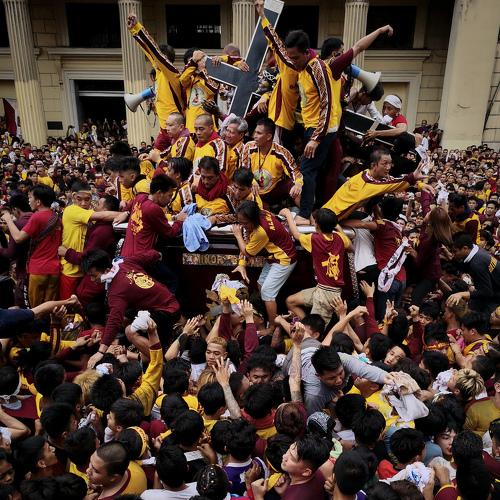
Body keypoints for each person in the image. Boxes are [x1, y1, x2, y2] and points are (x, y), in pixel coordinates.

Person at [82, 249, 180, 362]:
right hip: (168, 300)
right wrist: (158, 254)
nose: (92, 280)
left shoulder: (116, 290)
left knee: (130, 331)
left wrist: (100, 351)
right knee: (125, 319)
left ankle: (163, 360)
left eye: (94, 276)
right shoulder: (126, 262)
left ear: (107, 271)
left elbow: (114, 320)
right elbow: (150, 254)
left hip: (166, 311)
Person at [280, 207, 352, 324]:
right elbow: (350, 247)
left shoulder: (315, 239)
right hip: (322, 289)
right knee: (290, 301)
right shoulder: (340, 237)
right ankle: (304, 326)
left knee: (314, 331)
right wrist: (339, 229)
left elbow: (296, 234)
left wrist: (288, 214)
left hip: (326, 294)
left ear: (317, 225)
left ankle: (307, 331)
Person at [233, 200, 297, 326]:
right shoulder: (262, 212)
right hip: (274, 257)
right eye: (240, 222)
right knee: (260, 285)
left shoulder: (260, 232)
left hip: (284, 259)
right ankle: (267, 317)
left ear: (253, 219)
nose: (242, 226)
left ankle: (273, 326)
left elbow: (246, 252)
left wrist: (238, 235)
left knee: (267, 293)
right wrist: (241, 263)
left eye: (245, 223)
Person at [323, 148, 433, 220]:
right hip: (330, 218)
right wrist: (413, 177)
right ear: (373, 165)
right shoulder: (368, 182)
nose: (388, 168)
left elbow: (394, 180)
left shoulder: (370, 174)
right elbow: (395, 183)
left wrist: (421, 185)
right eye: (384, 164)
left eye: (390, 164)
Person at [127, 14, 183, 154]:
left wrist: (137, 27)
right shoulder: (159, 72)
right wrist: (133, 31)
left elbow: (153, 52)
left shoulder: (172, 73)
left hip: (176, 131)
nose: (154, 60)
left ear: (165, 59)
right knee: (152, 156)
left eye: (158, 58)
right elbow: (149, 52)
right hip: (164, 130)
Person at [1, 185, 61, 307]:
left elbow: (18, 238)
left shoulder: (37, 216)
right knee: (49, 307)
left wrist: (8, 219)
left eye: (30, 198)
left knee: (35, 309)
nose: (29, 201)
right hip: (54, 268)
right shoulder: (56, 218)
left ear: (38, 202)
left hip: (38, 269)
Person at [241, 118, 303, 208]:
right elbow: (244, 170)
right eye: (255, 132)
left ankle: (305, 214)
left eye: (259, 133)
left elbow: (296, 173)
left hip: (273, 191)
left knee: (294, 185)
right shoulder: (249, 146)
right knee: (241, 184)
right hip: (253, 189)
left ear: (269, 137)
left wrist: (298, 184)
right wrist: (252, 181)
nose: (254, 136)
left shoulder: (282, 152)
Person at [448, 232, 500, 313]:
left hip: (495, 297)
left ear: (465, 248)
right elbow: (466, 267)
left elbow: (486, 292)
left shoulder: (477, 264)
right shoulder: (477, 250)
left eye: (455, 251)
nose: (453, 254)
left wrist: (461, 294)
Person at [221, 115, 248, 181]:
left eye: (231, 132)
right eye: (227, 130)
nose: (227, 135)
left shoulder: (243, 152)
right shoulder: (221, 144)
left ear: (241, 135)